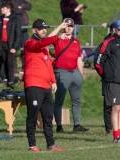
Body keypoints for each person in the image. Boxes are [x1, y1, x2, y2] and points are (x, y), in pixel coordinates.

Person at [24, 19, 65, 152]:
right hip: (34, 85)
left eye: (45, 28)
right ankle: (32, 145)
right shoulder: (30, 43)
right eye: (41, 28)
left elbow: (48, 65)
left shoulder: (44, 47)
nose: (44, 30)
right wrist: (57, 36)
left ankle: (51, 145)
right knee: (33, 116)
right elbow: (42, 42)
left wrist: (53, 81)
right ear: (34, 30)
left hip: (46, 86)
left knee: (48, 118)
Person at [48, 18, 90, 133]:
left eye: (70, 26)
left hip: (74, 73)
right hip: (62, 72)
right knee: (59, 101)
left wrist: (81, 75)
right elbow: (47, 39)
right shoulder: (58, 38)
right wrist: (59, 28)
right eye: (66, 26)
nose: (68, 28)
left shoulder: (76, 41)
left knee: (76, 100)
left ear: (73, 28)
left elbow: (78, 58)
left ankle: (77, 125)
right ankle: (59, 126)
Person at [95, 20, 120, 142]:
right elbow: (98, 63)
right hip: (113, 82)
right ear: (114, 30)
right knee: (115, 108)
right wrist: (106, 76)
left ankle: (119, 134)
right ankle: (116, 136)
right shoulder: (108, 43)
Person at [12, 0, 32, 72]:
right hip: (16, 26)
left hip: (24, 27)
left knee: (25, 47)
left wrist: (22, 6)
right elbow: (16, 10)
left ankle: (25, 66)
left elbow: (29, 5)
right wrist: (23, 8)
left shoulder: (21, 1)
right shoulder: (11, 1)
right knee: (15, 47)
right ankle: (13, 67)